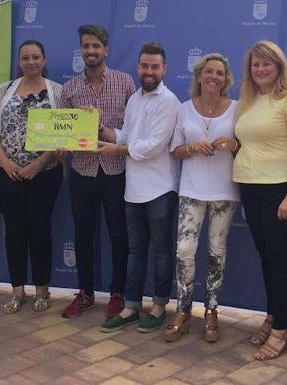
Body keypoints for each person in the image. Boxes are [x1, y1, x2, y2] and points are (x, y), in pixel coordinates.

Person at [233, 40, 287, 360]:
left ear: (279, 66)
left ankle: (282, 328)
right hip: (249, 185)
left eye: (267, 63)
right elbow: (248, 143)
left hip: (280, 188)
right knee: (266, 256)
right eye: (256, 64)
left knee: (280, 259)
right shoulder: (249, 99)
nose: (261, 69)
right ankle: (272, 315)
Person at [98, 42, 180, 333]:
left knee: (160, 251)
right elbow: (128, 135)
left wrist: (117, 150)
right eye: (144, 66)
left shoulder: (169, 101)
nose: (149, 71)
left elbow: (153, 146)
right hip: (132, 190)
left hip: (160, 189)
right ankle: (132, 306)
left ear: (164, 69)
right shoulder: (133, 99)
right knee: (135, 251)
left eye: (154, 66)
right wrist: (102, 129)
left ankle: (159, 306)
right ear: (138, 67)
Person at [60, 25, 135, 320]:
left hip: (116, 170)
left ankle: (118, 294)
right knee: (82, 234)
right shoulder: (69, 89)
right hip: (82, 170)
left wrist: (105, 130)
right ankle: (86, 293)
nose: (90, 51)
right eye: (85, 46)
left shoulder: (125, 82)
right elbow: (62, 133)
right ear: (81, 49)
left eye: (96, 46)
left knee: (119, 234)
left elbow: (134, 130)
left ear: (106, 49)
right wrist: (60, 147)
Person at [164, 53, 239, 343]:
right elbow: (175, 150)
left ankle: (211, 310)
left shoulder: (237, 109)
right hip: (192, 190)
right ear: (198, 76)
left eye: (220, 73)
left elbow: (245, 149)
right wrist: (193, 147)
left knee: (216, 252)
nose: (214, 77)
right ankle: (183, 310)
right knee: (184, 250)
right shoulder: (184, 109)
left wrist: (232, 144)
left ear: (226, 79)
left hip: (225, 191)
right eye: (209, 71)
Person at [0, 40, 63, 314]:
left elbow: (65, 133)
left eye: (36, 57)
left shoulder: (57, 92)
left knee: (40, 230)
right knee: (14, 231)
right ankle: (18, 290)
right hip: (9, 174)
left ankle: (43, 290)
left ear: (44, 60)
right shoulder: (4, 90)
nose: (31, 62)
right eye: (25, 58)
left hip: (46, 174)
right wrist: (5, 163)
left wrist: (39, 164)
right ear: (19, 61)